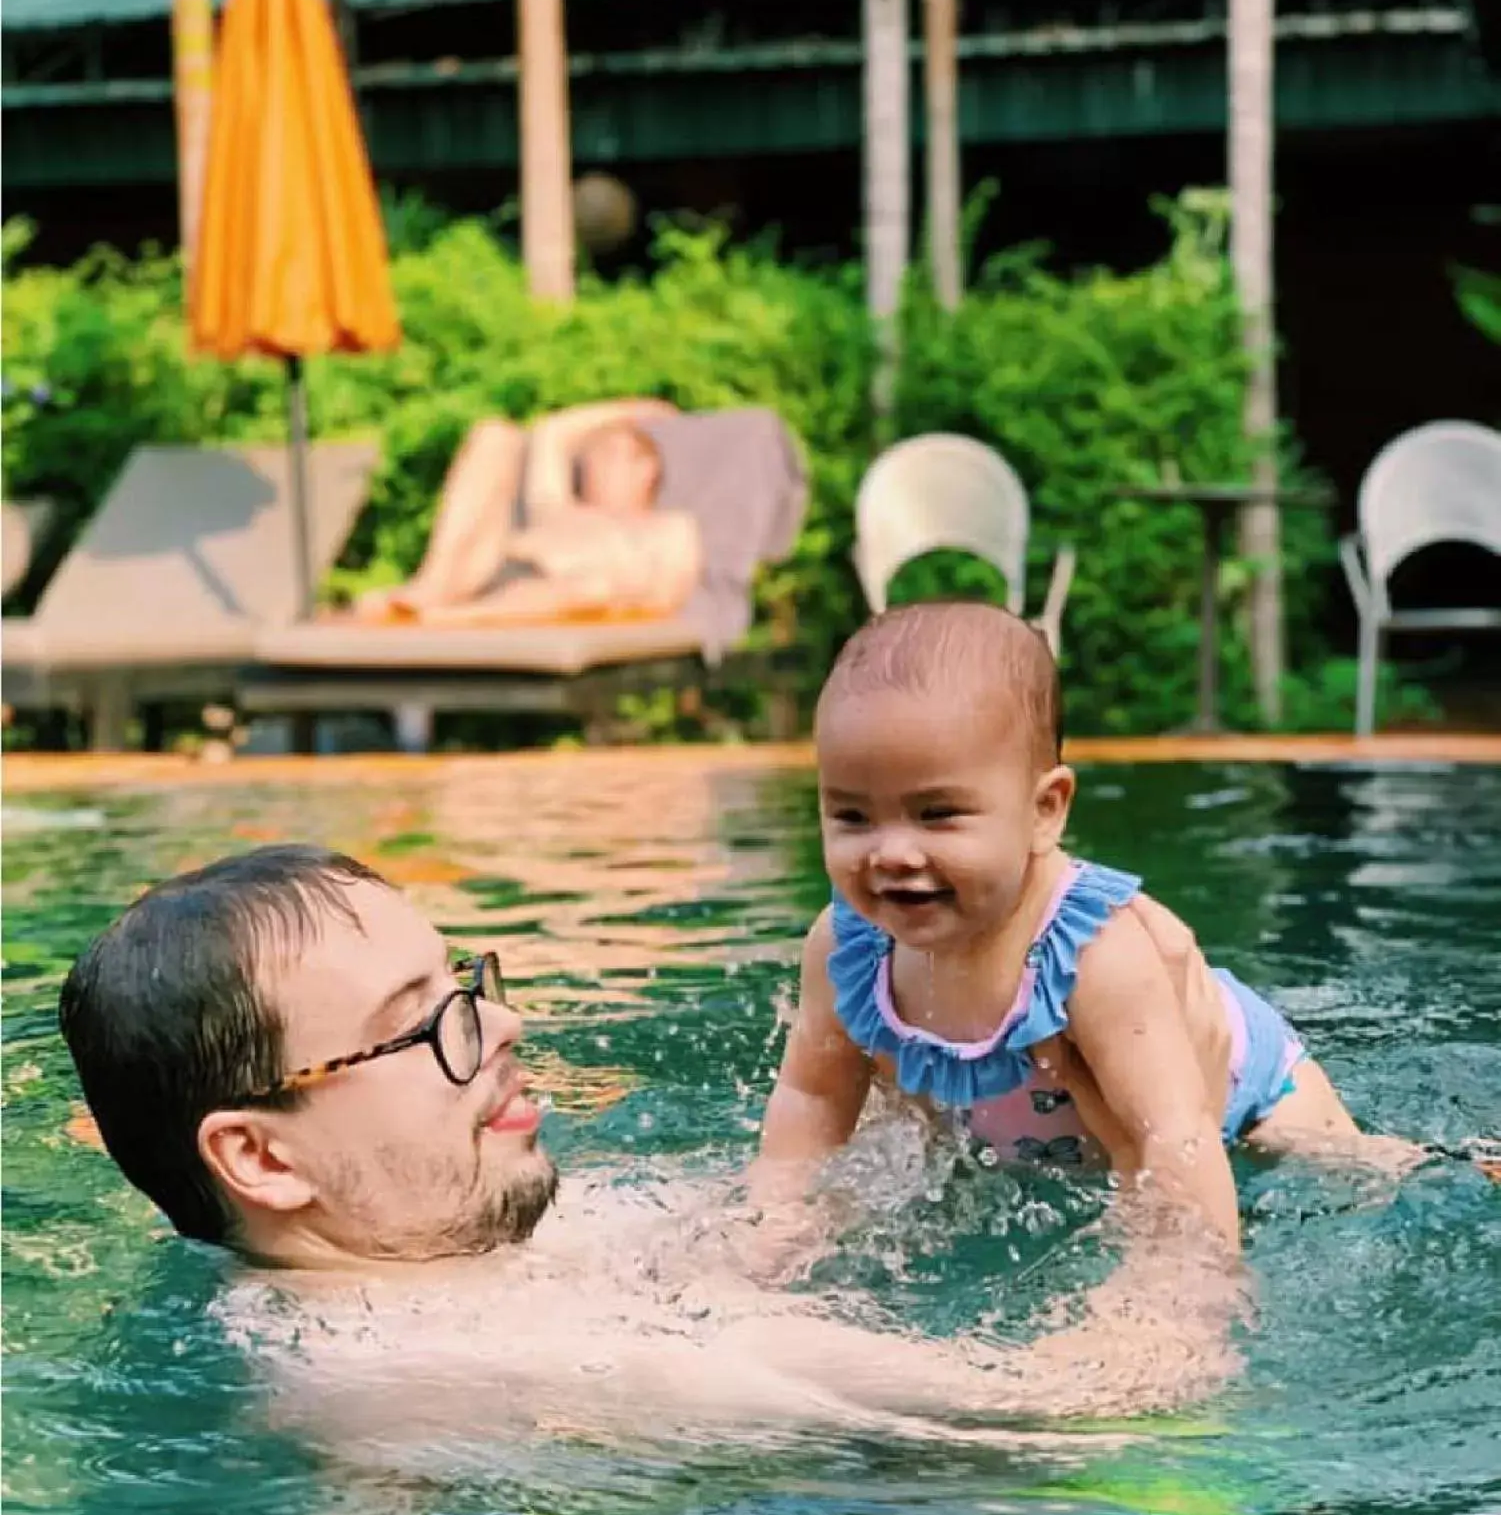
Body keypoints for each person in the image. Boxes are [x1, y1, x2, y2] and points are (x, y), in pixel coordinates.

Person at [57, 845, 1247, 1453]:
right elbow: (1113, 1409)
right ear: (262, 1160)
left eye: (465, 985)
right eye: (424, 1027)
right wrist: (1164, 1163)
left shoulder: (437, 1261)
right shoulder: (487, 1366)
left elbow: (785, 1214)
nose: (506, 1024)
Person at [759, 601, 1389, 1249]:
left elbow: (1173, 1135)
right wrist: (777, 1223)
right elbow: (810, 1097)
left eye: (937, 812)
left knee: (1341, 1169)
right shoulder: (847, 947)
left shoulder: (1093, 956)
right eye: (852, 817)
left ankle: (1425, 1159)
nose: (890, 852)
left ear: (1044, 811)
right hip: (1048, 1144)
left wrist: (1175, 1294)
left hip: (1247, 1093)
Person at [351, 400, 702, 627]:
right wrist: (635, 409)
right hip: (487, 570)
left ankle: (450, 617)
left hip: (565, 597)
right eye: (595, 455)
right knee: (495, 435)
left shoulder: (669, 528)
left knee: (592, 588)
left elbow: (670, 592)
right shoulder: (558, 507)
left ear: (649, 470)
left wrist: (625, 595)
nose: (600, 466)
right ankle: (431, 587)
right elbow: (553, 430)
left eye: (619, 456)